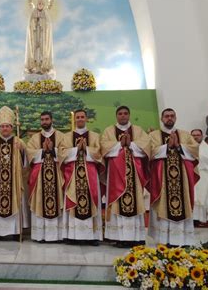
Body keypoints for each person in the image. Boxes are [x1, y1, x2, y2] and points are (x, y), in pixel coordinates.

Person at [147, 108, 199, 247]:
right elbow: (149, 152)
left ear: (175, 118)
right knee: (163, 205)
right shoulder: (154, 135)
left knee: (183, 204)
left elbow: (194, 150)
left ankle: (183, 239)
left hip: (182, 180)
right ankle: (163, 239)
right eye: (166, 116)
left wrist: (179, 146)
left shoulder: (185, 135)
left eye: (172, 116)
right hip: (162, 180)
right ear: (161, 119)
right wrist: (166, 147)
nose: (169, 118)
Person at [101, 106, 150, 247]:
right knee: (117, 204)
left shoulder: (138, 131)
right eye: (120, 114)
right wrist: (119, 145)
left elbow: (146, 146)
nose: (123, 116)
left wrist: (131, 145)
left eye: (125, 113)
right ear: (116, 116)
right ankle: (118, 237)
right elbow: (104, 147)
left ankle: (137, 237)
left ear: (129, 115)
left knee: (136, 201)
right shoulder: (109, 131)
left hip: (134, 175)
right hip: (116, 175)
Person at [0, 106, 28, 241]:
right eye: (2, 126)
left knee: (15, 201)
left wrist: (22, 151)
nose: (5, 129)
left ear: (12, 128)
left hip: (13, 182)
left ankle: (15, 232)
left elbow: (26, 162)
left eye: (7, 126)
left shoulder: (18, 142)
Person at [63, 109, 104, 245]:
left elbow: (99, 153)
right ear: (75, 119)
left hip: (90, 174)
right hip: (73, 174)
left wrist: (86, 149)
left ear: (86, 119)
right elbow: (62, 153)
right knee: (72, 200)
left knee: (92, 200)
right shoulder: (67, 136)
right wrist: (76, 149)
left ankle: (92, 236)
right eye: (78, 117)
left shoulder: (95, 136)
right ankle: (72, 235)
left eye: (82, 117)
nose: (80, 119)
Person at [26, 111, 67, 242]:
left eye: (47, 119)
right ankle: (40, 235)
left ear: (51, 120)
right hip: (40, 177)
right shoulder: (35, 138)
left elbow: (65, 153)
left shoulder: (61, 136)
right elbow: (29, 153)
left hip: (56, 174)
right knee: (39, 202)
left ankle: (58, 236)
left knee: (57, 201)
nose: (44, 122)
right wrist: (43, 151)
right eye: (42, 120)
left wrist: (53, 150)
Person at [25, 0, 54, 77]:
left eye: (41, 3)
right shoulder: (33, 11)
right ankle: (33, 67)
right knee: (33, 49)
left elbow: (51, 3)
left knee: (43, 50)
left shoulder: (46, 12)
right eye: (39, 3)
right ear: (37, 4)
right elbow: (29, 2)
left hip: (43, 35)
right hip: (34, 34)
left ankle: (43, 67)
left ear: (44, 5)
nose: (40, 5)